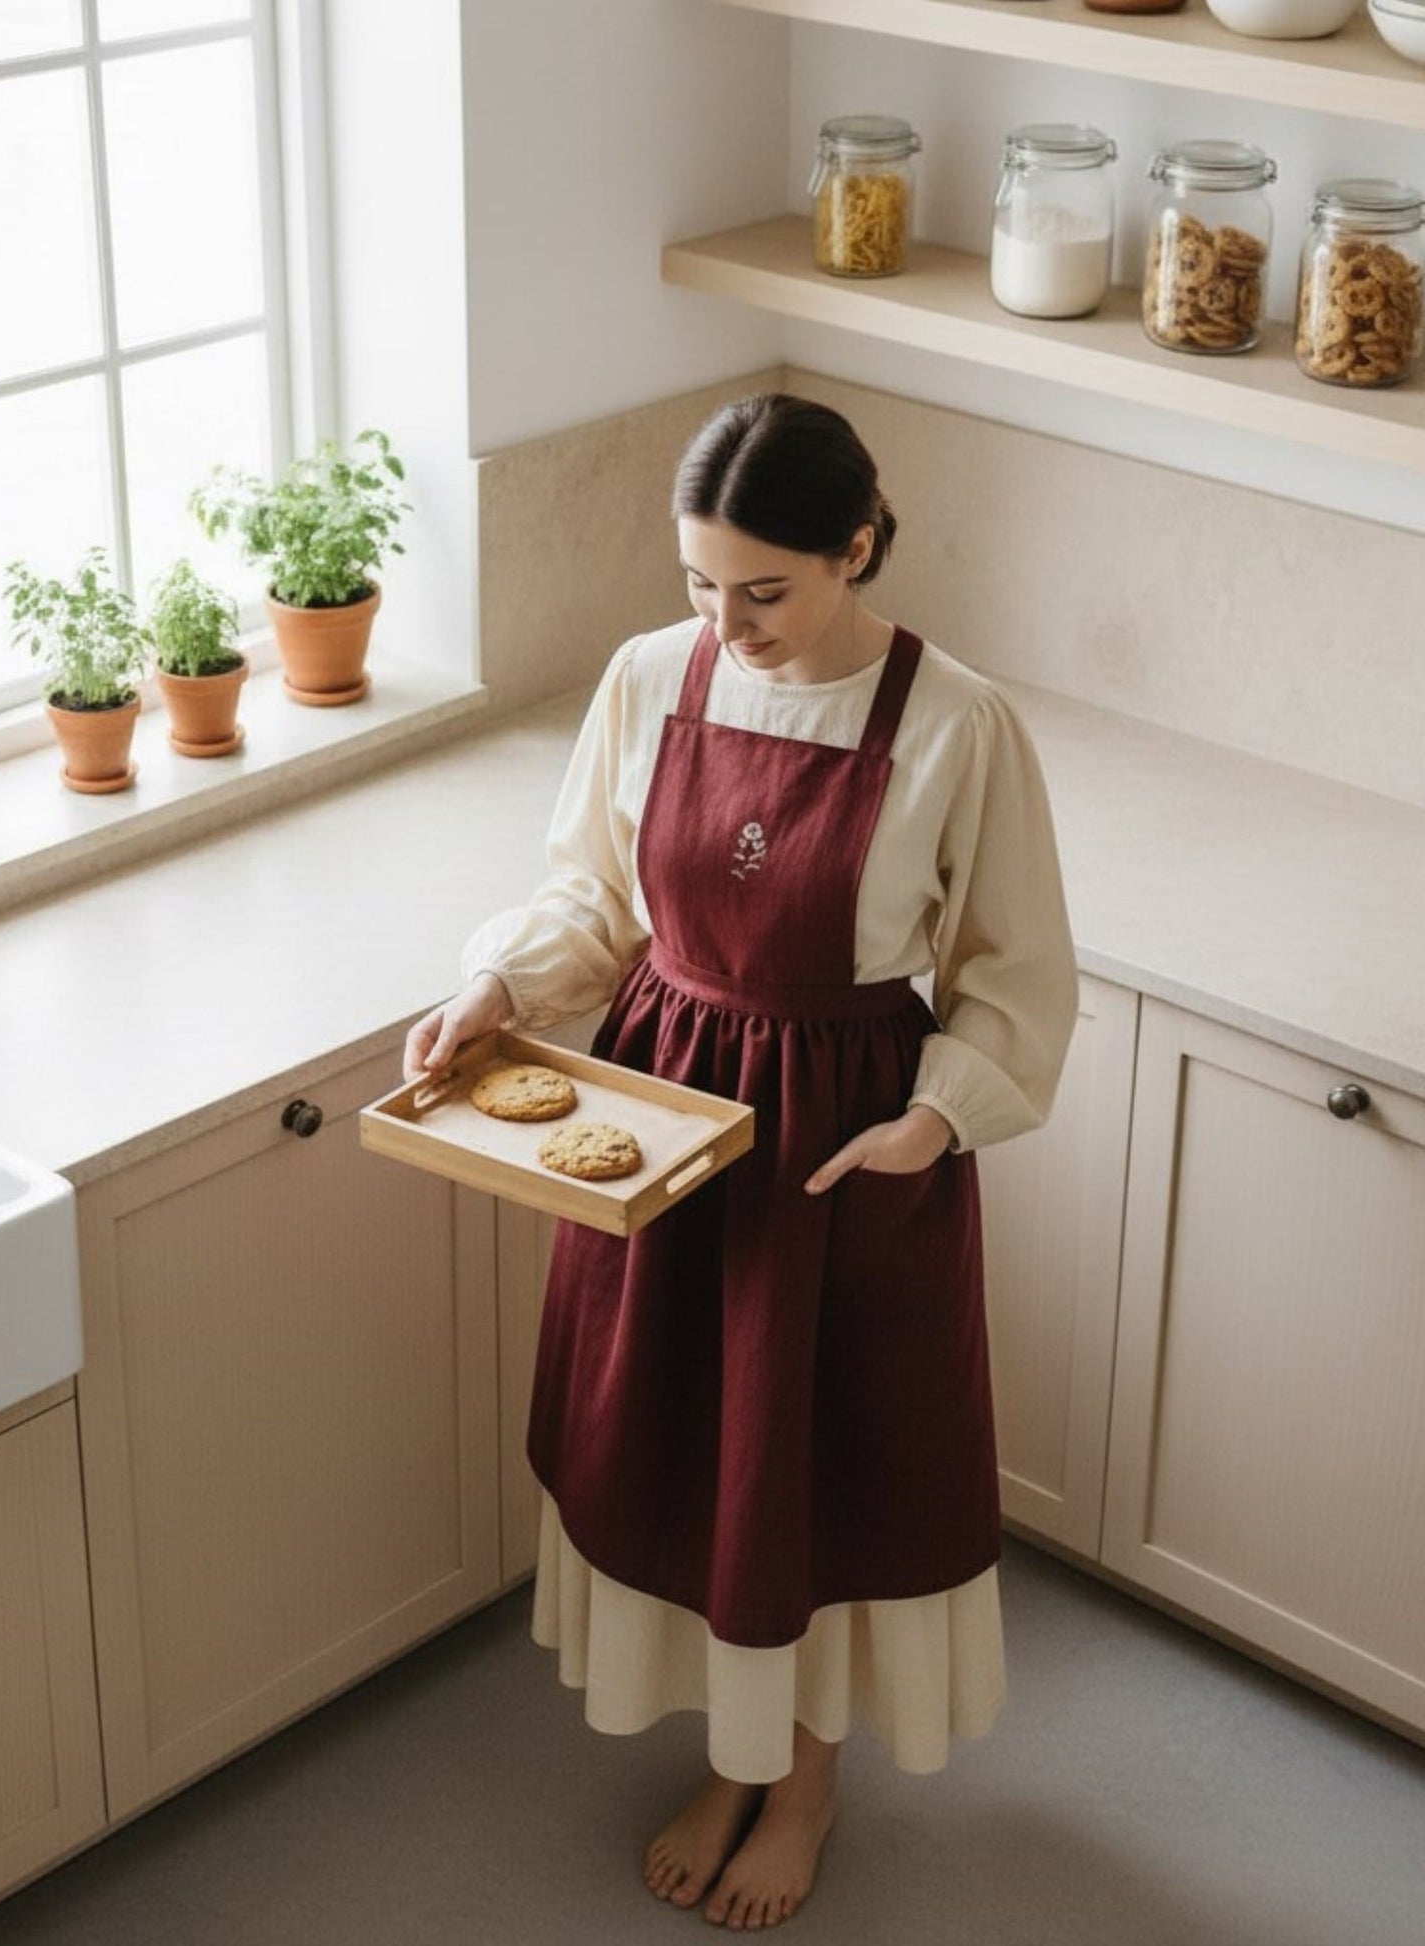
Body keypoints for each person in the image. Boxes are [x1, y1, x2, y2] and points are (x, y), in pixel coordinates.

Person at [403, 393, 1077, 1930]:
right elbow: (592, 898)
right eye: (701, 583)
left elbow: (1016, 971)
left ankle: (807, 1780)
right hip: (663, 1111)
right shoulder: (651, 676)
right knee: (683, 1449)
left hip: (845, 1142)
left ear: (855, 547)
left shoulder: (955, 722)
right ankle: (736, 1751)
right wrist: (494, 989)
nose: (727, 623)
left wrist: (937, 1114)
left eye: (762, 589)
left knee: (811, 1468)